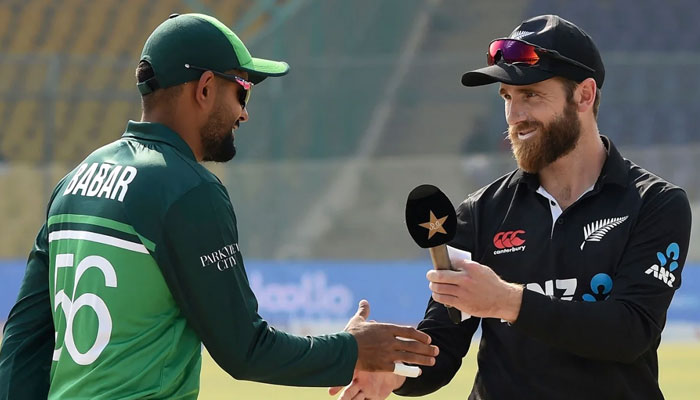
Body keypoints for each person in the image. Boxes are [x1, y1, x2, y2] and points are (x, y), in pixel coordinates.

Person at [0, 13, 439, 399]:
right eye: (242, 91)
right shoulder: (188, 189)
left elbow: (21, 343)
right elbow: (244, 351)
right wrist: (356, 350)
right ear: (206, 88)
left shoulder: (75, 180)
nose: (244, 113)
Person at [331, 14, 691, 400]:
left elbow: (629, 332)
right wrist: (394, 370)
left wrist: (506, 301)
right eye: (507, 97)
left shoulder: (655, 203)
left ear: (584, 95)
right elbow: (444, 345)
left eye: (531, 95)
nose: (515, 116)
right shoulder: (480, 212)